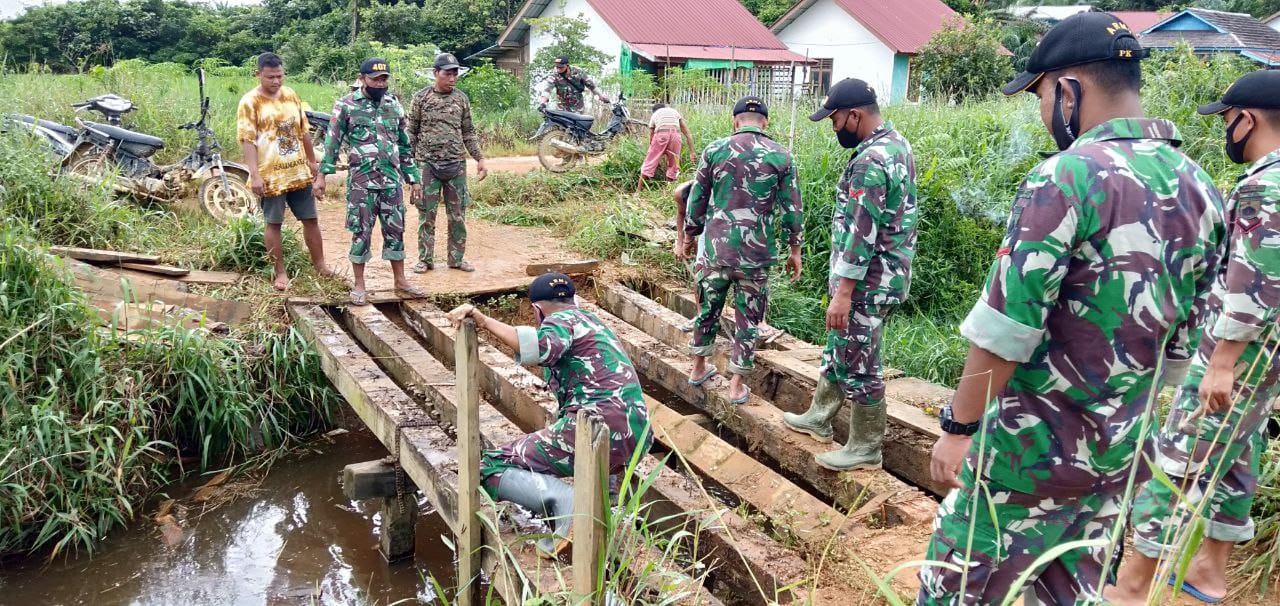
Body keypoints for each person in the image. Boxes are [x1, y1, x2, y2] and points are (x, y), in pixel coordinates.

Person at [916, 12, 1226, 605]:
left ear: (1069, 90)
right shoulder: (1197, 185)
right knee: (1074, 588)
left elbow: (1007, 328)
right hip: (1119, 453)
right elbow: (1186, 343)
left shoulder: (1065, 177)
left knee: (958, 590)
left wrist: (958, 429)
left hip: (1024, 457)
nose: (1040, 111)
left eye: (1039, 95)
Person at [1106, 69, 1280, 606]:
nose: (1227, 131)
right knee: (1238, 445)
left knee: (1178, 458)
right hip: (1269, 351)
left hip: (1240, 346)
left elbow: (1257, 281)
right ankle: (1209, 571)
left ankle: (1132, 586)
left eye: (1228, 120)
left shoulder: (1263, 185)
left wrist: (1223, 359)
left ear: (1246, 119)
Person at [448, 273, 652, 558]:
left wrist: (484, 322)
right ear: (573, 300)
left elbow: (541, 347)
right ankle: (605, 517)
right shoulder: (594, 323)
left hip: (597, 427)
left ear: (537, 310)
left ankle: (567, 501)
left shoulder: (559, 321)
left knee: (489, 467)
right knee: (597, 462)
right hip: (638, 434)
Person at [782, 78, 918, 472]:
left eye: (835, 119)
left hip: (866, 283)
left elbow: (862, 232)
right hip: (879, 277)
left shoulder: (870, 162)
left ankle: (865, 446)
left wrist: (843, 294)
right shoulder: (897, 145)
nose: (833, 126)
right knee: (839, 347)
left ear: (855, 115)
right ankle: (819, 416)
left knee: (861, 361)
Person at [682, 96, 803, 405]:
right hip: (756, 255)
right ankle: (736, 385)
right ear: (766, 121)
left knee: (707, 309)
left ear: (734, 120)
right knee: (748, 319)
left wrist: (689, 235)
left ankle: (697, 368)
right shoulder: (782, 156)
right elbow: (792, 209)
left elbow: (697, 197)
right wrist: (794, 249)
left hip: (716, 250)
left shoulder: (714, 150)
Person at [319, 57, 427, 305]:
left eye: (384, 79)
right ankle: (359, 284)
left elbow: (404, 145)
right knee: (360, 232)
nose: (380, 83)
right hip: (361, 183)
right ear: (362, 79)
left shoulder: (394, 106)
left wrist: (414, 178)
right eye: (375, 79)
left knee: (396, 231)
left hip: (391, 182)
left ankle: (400, 282)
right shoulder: (346, 106)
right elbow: (332, 143)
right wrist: (322, 176)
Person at [236, 52, 329, 291]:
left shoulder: (290, 95)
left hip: (298, 172)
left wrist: (311, 161)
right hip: (270, 175)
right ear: (258, 75)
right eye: (270, 77)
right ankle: (280, 272)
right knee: (274, 223)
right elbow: (247, 141)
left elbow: (304, 131)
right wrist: (254, 175)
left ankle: (320, 265)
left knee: (311, 219)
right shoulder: (250, 102)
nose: (276, 81)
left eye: (279, 76)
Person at [406, 52, 488, 274]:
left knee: (458, 215)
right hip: (427, 165)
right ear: (436, 73)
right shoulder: (421, 98)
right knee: (426, 216)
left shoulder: (461, 98)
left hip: (456, 165)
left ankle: (456, 258)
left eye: (455, 74)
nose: (452, 79)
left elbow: (468, 132)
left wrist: (479, 158)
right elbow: (411, 133)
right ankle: (425, 259)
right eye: (447, 74)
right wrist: (408, 168)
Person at [636, 103, 694, 192]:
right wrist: (692, 152)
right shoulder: (674, 112)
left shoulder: (655, 114)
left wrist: (653, 155)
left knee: (649, 162)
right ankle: (669, 190)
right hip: (676, 136)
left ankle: (638, 191)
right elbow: (688, 134)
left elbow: (651, 135)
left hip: (661, 134)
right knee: (674, 163)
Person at [539, 55, 608, 113]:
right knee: (560, 128)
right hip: (562, 108)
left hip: (578, 107)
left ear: (567, 65)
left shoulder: (578, 71)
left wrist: (601, 96)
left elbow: (591, 86)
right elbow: (547, 90)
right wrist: (543, 103)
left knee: (577, 128)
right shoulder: (554, 75)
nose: (559, 69)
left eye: (561, 67)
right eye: (557, 67)